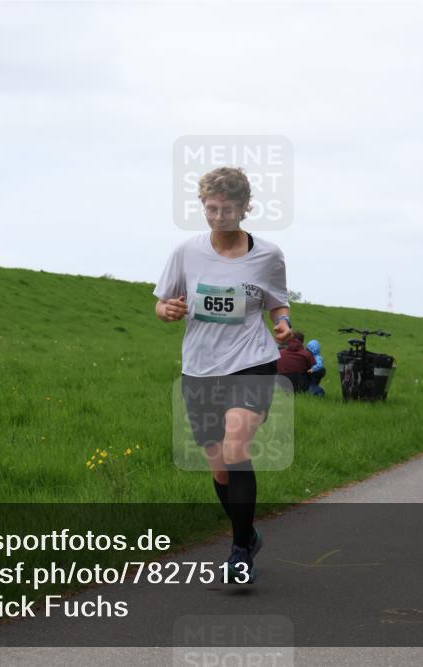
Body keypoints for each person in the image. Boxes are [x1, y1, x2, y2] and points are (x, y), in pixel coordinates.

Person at [153, 166, 292, 584]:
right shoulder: (186, 252)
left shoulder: (268, 255)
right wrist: (169, 311)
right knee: (219, 467)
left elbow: (277, 303)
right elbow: (162, 304)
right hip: (200, 368)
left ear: (245, 208)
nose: (218, 217)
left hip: (252, 361)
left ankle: (238, 553)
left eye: (227, 210)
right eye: (211, 209)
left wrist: (282, 322)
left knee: (236, 446)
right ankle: (247, 534)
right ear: (203, 205)